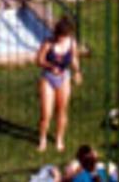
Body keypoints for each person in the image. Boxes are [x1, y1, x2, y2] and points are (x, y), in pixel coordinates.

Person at [37, 18, 82, 152]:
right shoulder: (48, 44)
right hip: (48, 78)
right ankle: (42, 138)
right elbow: (39, 60)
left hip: (64, 77)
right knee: (46, 114)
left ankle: (59, 138)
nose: (62, 39)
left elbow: (74, 58)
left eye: (65, 36)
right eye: (61, 36)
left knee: (62, 110)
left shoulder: (72, 43)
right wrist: (50, 66)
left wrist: (77, 71)